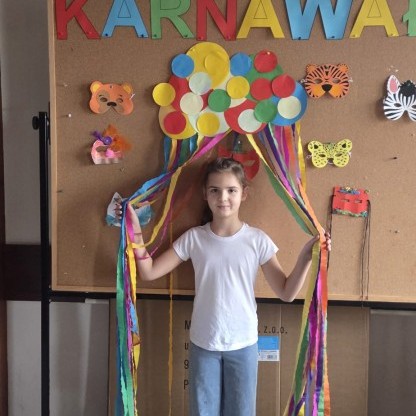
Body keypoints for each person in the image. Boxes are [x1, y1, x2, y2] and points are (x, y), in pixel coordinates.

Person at [117, 157, 331, 416]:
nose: (223, 197)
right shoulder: (194, 238)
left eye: (231, 190)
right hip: (204, 344)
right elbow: (149, 271)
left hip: (244, 344)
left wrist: (306, 258)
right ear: (205, 194)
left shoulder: (257, 241)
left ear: (244, 193)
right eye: (215, 190)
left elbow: (287, 293)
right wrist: (134, 231)